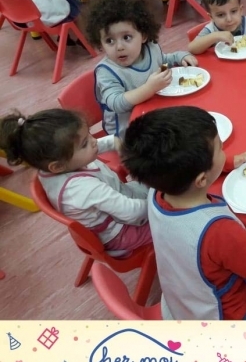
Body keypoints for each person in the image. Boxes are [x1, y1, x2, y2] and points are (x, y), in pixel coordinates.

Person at [121, 106, 246, 320]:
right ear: (201, 179)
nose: (224, 151)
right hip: (226, 315)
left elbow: (190, 173)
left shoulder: (157, 190)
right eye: (220, 149)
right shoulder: (218, 230)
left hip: (181, 303)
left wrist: (225, 164)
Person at [0, 109, 151, 254]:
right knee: (165, 218)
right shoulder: (82, 189)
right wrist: (159, 204)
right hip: (120, 232)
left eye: (89, 134)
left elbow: (87, 148)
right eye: (84, 143)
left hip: (120, 201)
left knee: (153, 182)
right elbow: (133, 213)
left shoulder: (55, 164)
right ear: (57, 166)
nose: (93, 141)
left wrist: (114, 142)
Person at [86, 0, 198, 138]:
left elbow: (162, 62)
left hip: (154, 114)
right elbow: (117, 103)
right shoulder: (106, 71)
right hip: (126, 132)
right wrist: (149, 88)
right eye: (110, 41)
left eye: (126, 37)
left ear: (143, 36)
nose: (119, 47)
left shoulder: (151, 48)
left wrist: (179, 57)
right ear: (100, 44)